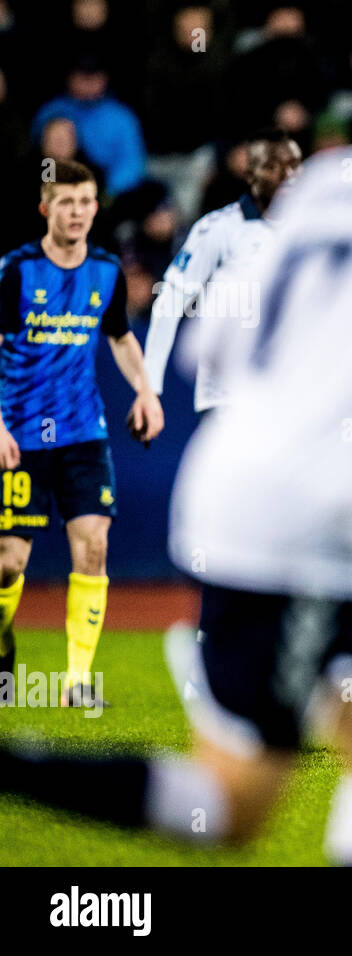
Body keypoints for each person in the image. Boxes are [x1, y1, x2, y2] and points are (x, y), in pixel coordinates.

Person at [0, 1, 352, 866]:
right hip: (300, 522)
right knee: (235, 801)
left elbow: (213, 342)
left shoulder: (339, 175)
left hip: (236, 479)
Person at [0, 160, 163, 708]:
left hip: (82, 433)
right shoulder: (16, 270)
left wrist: (145, 390)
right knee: (8, 563)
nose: (77, 212)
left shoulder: (108, 271)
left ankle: (77, 679)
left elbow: (119, 337)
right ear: (46, 208)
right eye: (66, 202)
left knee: (93, 546)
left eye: (86, 201)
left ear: (97, 207)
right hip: (18, 435)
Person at [144, 128, 302, 413]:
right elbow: (170, 300)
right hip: (227, 396)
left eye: (293, 165)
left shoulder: (309, 232)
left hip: (289, 395)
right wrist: (149, 385)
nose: (288, 175)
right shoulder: (218, 228)